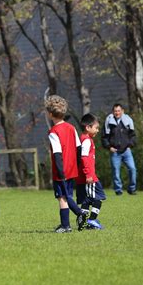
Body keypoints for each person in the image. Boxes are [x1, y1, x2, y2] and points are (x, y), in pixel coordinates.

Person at [45, 95, 88, 233]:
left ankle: (71, 220)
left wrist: (60, 171)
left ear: (51, 114)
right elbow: (78, 148)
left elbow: (57, 154)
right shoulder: (71, 127)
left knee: (62, 197)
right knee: (67, 195)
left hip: (61, 171)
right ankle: (66, 224)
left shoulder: (54, 132)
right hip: (71, 168)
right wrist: (76, 165)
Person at [76, 113, 106, 230]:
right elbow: (84, 158)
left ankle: (82, 222)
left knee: (87, 199)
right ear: (88, 127)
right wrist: (88, 174)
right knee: (98, 198)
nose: (97, 130)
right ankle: (92, 220)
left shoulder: (83, 139)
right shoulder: (86, 141)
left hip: (86, 176)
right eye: (96, 128)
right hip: (89, 177)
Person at [101, 103, 137, 195]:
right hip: (115, 152)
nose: (117, 113)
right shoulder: (109, 122)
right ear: (113, 112)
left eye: (119, 111)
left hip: (126, 151)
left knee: (132, 169)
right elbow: (104, 137)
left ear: (122, 111)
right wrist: (109, 147)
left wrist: (130, 145)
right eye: (115, 111)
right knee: (116, 173)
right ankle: (118, 190)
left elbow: (133, 135)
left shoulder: (128, 121)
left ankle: (132, 189)